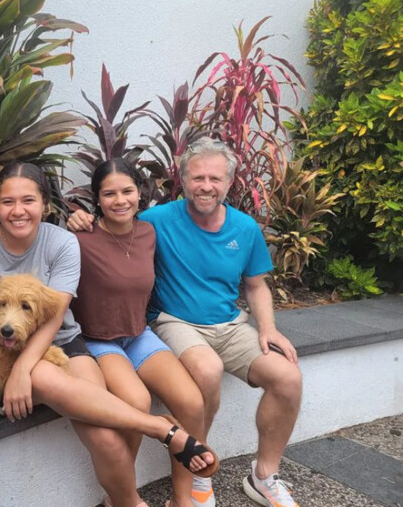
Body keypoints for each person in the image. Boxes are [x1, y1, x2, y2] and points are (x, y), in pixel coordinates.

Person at [68, 137, 303, 507]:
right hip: (169, 323)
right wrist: (79, 219)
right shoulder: (155, 220)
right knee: (201, 373)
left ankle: (262, 477)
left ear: (229, 182)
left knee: (288, 377)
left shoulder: (240, 228)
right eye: (197, 177)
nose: (206, 186)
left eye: (215, 178)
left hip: (226, 325)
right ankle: (175, 484)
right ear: (182, 179)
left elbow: (257, 286)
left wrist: (268, 329)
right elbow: (106, 228)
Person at [0, 162, 218, 507]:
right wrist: (0, 343)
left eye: (29, 200)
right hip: (3, 351)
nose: (18, 211)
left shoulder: (62, 242)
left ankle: (129, 498)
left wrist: (24, 369)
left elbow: (55, 318)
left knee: (109, 439)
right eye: (8, 202)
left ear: (45, 203)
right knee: (52, 380)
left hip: (63, 342)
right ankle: (160, 432)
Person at [72, 158, 210, 507]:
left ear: (140, 193)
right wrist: (71, 219)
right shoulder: (80, 236)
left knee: (192, 402)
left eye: (127, 191)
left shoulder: (148, 232)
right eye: (109, 193)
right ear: (97, 199)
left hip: (138, 334)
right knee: (136, 402)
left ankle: (183, 499)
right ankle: (121, 498)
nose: (120, 200)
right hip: (98, 339)